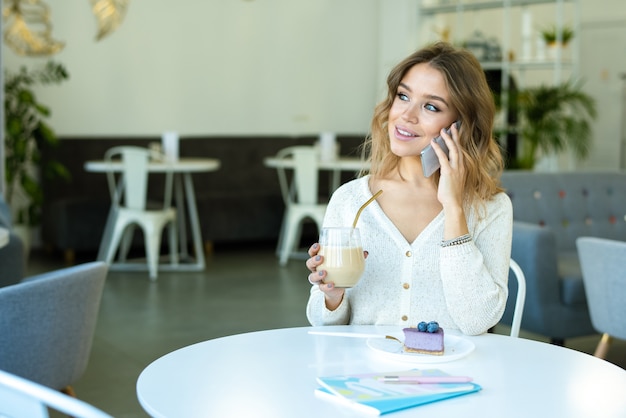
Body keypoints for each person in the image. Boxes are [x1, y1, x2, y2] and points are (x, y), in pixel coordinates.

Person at [305, 42, 512, 336]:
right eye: (403, 96)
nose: (406, 115)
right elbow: (322, 325)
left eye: (431, 106)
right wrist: (332, 295)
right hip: (365, 375)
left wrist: (454, 209)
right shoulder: (350, 200)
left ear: (461, 125)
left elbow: (477, 320)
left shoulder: (490, 207)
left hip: (451, 377)